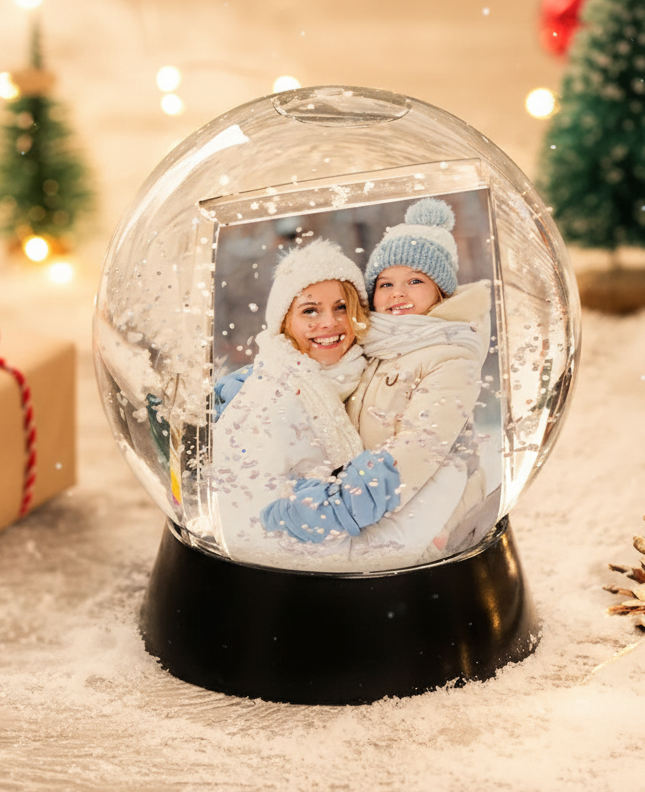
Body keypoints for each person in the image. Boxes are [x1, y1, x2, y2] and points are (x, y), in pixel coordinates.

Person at [211, 238, 400, 569]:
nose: (328, 322)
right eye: (310, 310)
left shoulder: (360, 374)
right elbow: (254, 511)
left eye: (341, 307)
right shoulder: (273, 394)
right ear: (285, 322)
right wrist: (344, 506)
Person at [346, 196, 494, 567]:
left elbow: (424, 444)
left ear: (440, 291)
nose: (398, 293)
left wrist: (358, 496)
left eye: (415, 280)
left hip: (430, 496)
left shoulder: (452, 353)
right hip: (377, 494)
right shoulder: (373, 344)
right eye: (385, 283)